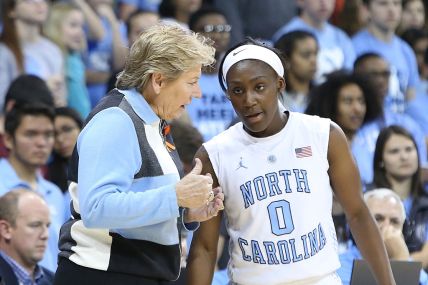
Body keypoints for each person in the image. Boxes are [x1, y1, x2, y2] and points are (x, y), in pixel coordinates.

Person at [186, 40, 396, 285]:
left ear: (279, 84)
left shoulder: (323, 134)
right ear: (228, 95)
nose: (249, 99)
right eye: (237, 90)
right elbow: (205, 248)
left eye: (259, 87)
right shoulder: (214, 154)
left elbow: (358, 214)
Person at [54, 24, 224, 285]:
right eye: (191, 82)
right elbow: (97, 208)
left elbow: (137, 207)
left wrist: (187, 211)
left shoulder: (153, 120)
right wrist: (176, 196)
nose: (198, 93)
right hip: (103, 274)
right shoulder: (116, 120)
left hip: (135, 272)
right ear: (158, 80)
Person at [0, 103, 65, 272]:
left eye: (48, 135)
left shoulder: (55, 193)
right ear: (8, 139)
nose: (41, 143)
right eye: (30, 134)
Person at [337, 188, 428, 285]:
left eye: (394, 221)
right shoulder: (339, 266)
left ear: (404, 230)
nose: (386, 226)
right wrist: (401, 263)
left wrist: (401, 260)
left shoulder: (405, 258)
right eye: (378, 219)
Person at [372, 125, 428, 268]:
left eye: (409, 149)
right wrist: (415, 258)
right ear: (381, 160)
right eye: (394, 151)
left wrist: (400, 258)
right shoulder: (369, 201)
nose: (404, 157)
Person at [352, 0, 420, 113]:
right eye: (383, 3)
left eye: (396, 3)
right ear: (366, 9)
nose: (391, 10)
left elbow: (411, 97)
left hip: (401, 124)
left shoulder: (406, 50)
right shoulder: (354, 47)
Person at [272, 0, 356, 83]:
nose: (323, 2)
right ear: (300, 1)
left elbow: (350, 73)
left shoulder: (341, 37)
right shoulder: (285, 37)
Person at [0, 189, 54, 285]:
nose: (46, 235)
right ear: (6, 229)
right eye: (35, 225)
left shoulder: (55, 280)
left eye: (47, 226)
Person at [274, 30, 318, 113]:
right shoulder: (274, 100)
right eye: (306, 55)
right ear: (286, 60)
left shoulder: (324, 96)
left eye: (315, 54)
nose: (314, 60)